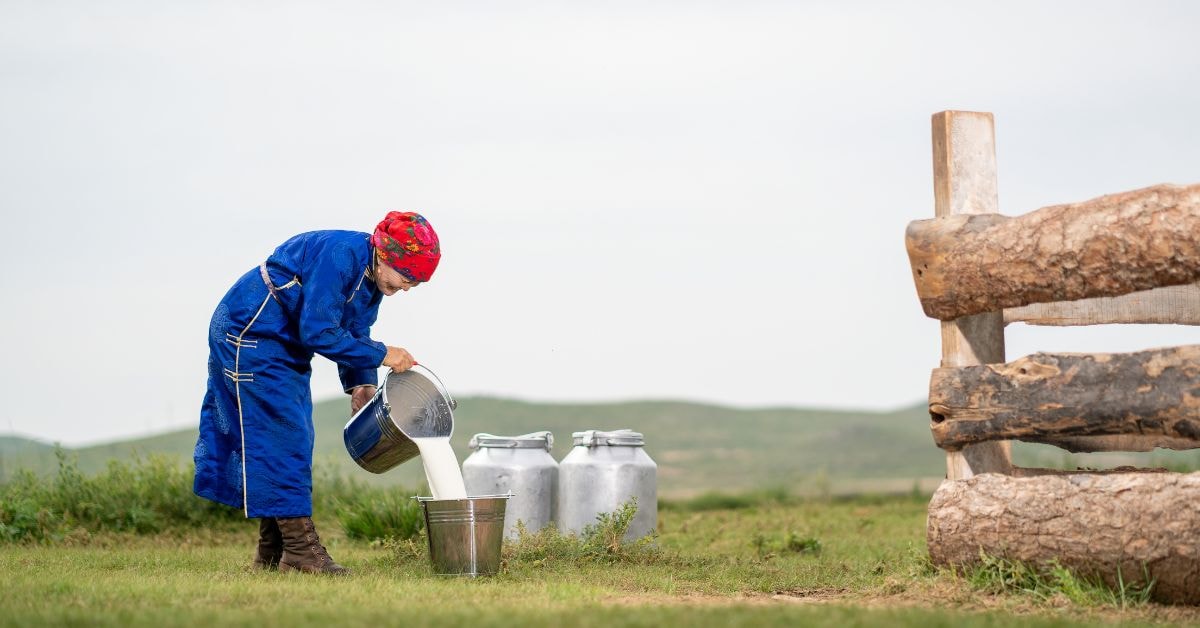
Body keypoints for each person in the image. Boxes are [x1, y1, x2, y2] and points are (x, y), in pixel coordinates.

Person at [193, 211, 440, 574]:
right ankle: (301, 553)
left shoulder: (371, 276)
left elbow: (355, 327)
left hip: (280, 341)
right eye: (407, 278)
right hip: (250, 331)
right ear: (387, 254)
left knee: (283, 437)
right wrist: (384, 354)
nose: (406, 288)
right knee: (284, 433)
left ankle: (273, 552)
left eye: (415, 284)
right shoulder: (340, 257)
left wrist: (362, 382)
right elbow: (320, 330)